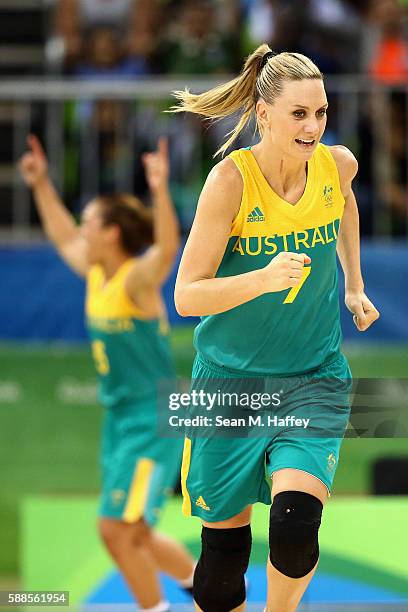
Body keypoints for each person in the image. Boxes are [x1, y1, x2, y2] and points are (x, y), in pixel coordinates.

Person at [171, 45, 380, 611]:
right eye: (299, 114)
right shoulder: (231, 182)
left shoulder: (337, 165)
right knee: (219, 574)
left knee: (294, 531)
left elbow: (346, 208)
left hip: (313, 378)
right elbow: (187, 296)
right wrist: (263, 279)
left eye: (321, 112)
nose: (313, 127)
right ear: (264, 115)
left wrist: (354, 283)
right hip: (228, 385)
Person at [19, 135, 195, 612]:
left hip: (151, 422)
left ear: (112, 232)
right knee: (135, 532)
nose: (82, 230)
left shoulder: (135, 281)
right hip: (121, 423)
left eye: (90, 223)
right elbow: (60, 235)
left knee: (116, 529)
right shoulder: (97, 274)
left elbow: (166, 251)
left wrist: (159, 190)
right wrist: (40, 184)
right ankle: (207, 588)